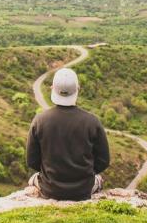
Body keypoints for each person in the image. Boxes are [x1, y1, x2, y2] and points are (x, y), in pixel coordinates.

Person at [26, 67, 110, 200]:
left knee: (32, 179)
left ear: (52, 88)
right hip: (83, 189)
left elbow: (32, 161)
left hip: (50, 188)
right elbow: (104, 161)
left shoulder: (39, 121)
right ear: (78, 89)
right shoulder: (92, 121)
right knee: (99, 179)